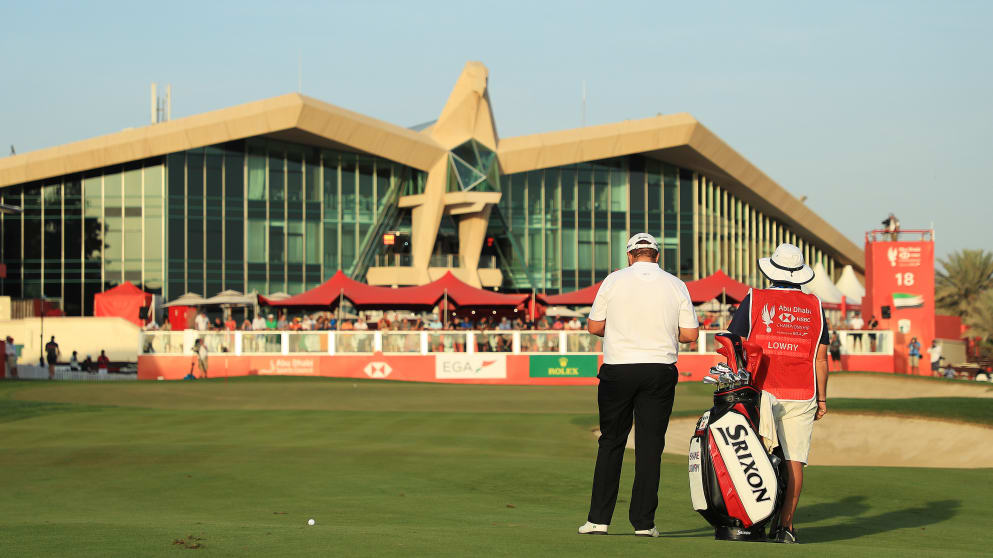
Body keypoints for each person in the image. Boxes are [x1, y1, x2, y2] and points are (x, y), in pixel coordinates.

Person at [578, 233, 699, 538]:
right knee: (649, 447)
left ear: (630, 255)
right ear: (657, 256)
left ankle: (598, 520)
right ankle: (644, 524)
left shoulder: (614, 279)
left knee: (611, 442)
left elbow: (594, 326)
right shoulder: (676, 284)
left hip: (618, 368)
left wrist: (620, 328)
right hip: (659, 369)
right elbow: (690, 334)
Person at [727, 243, 829, 544]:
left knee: (755, 456)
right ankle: (786, 527)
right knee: (794, 459)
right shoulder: (815, 305)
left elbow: (734, 343)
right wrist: (822, 398)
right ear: (800, 273)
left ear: (771, 269)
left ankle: (752, 520)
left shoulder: (755, 297)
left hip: (761, 389)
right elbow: (821, 358)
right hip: (803, 390)